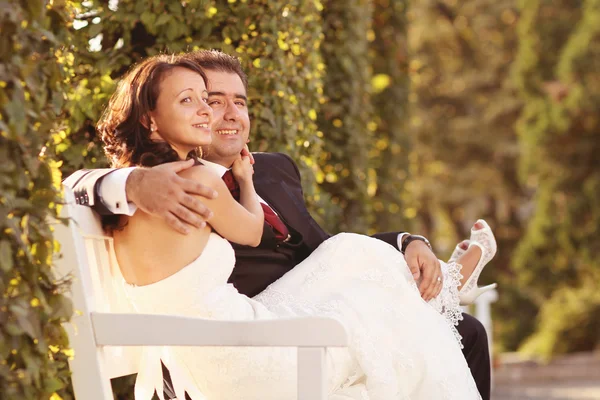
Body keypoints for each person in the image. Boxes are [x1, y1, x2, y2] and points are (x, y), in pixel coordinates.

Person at [64, 51, 494, 399]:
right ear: (151, 118)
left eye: (240, 101)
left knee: (361, 260)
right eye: (207, 101)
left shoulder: (269, 169)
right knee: (411, 337)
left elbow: (319, 248)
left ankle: (445, 285)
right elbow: (74, 186)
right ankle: (450, 286)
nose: (223, 113)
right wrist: (132, 182)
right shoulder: (161, 186)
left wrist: (407, 242)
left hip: (249, 335)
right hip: (250, 346)